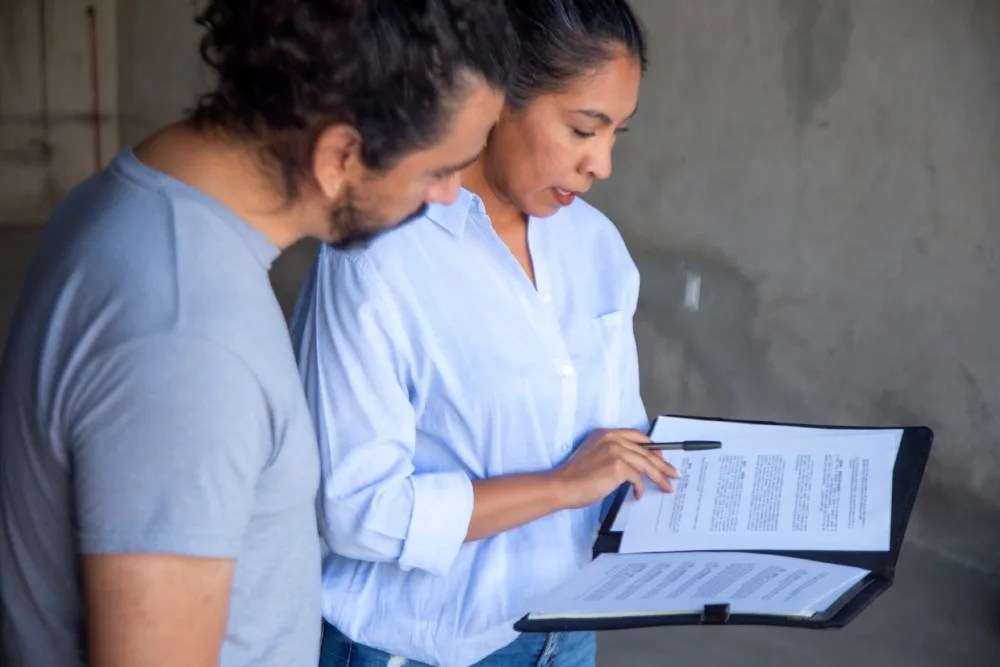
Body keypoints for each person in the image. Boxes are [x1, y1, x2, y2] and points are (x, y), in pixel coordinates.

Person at [0, 1, 515, 665]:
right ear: (340, 156)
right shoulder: (188, 342)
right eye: (439, 170)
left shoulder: (131, 198)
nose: (449, 196)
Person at [290, 1, 678, 665]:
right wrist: (559, 485)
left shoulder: (597, 248)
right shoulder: (378, 254)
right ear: (498, 97)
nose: (603, 164)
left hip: (565, 633)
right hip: (418, 647)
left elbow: (616, 446)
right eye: (585, 129)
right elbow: (359, 509)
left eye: (618, 133)